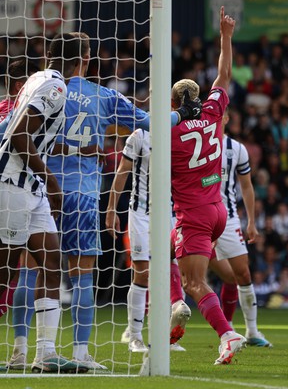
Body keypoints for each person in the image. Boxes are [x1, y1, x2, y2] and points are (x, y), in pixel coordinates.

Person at [6, 32, 199, 371]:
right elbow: (150, 123)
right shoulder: (103, 96)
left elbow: (13, 127)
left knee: (30, 270)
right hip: (79, 191)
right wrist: (181, 114)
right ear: (85, 58)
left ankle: (22, 351)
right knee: (81, 276)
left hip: (34, 187)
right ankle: (79, 353)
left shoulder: (37, 87)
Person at [0, 33, 90, 373]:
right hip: (13, 183)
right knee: (5, 272)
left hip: (30, 187)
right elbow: (20, 133)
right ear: (81, 60)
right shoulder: (56, 87)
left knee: (52, 261)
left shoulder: (37, 78)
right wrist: (52, 180)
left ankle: (45, 353)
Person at [170, 6, 246, 365]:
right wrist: (225, 37)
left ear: (173, 103)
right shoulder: (215, 112)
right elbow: (224, 76)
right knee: (171, 253)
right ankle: (173, 314)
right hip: (218, 209)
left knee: (194, 283)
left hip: (195, 214)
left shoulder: (171, 131)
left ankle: (227, 334)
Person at [105, 128, 191, 353]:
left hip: (170, 214)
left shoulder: (183, 135)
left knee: (168, 270)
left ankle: (163, 337)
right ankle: (134, 336)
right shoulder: (140, 135)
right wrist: (111, 208)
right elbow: (123, 171)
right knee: (142, 271)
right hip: (140, 213)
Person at [212, 110, 272, 347]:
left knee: (242, 274)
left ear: (227, 118)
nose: (218, 118)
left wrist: (251, 221)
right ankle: (170, 334)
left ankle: (252, 331)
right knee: (186, 274)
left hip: (227, 219)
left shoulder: (236, 149)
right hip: (198, 216)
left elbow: (246, 187)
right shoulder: (195, 143)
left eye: (222, 115)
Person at [0, 59, 39, 318]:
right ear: (20, 85)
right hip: (14, 188)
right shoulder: (22, 112)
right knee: (20, 261)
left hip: (20, 188)